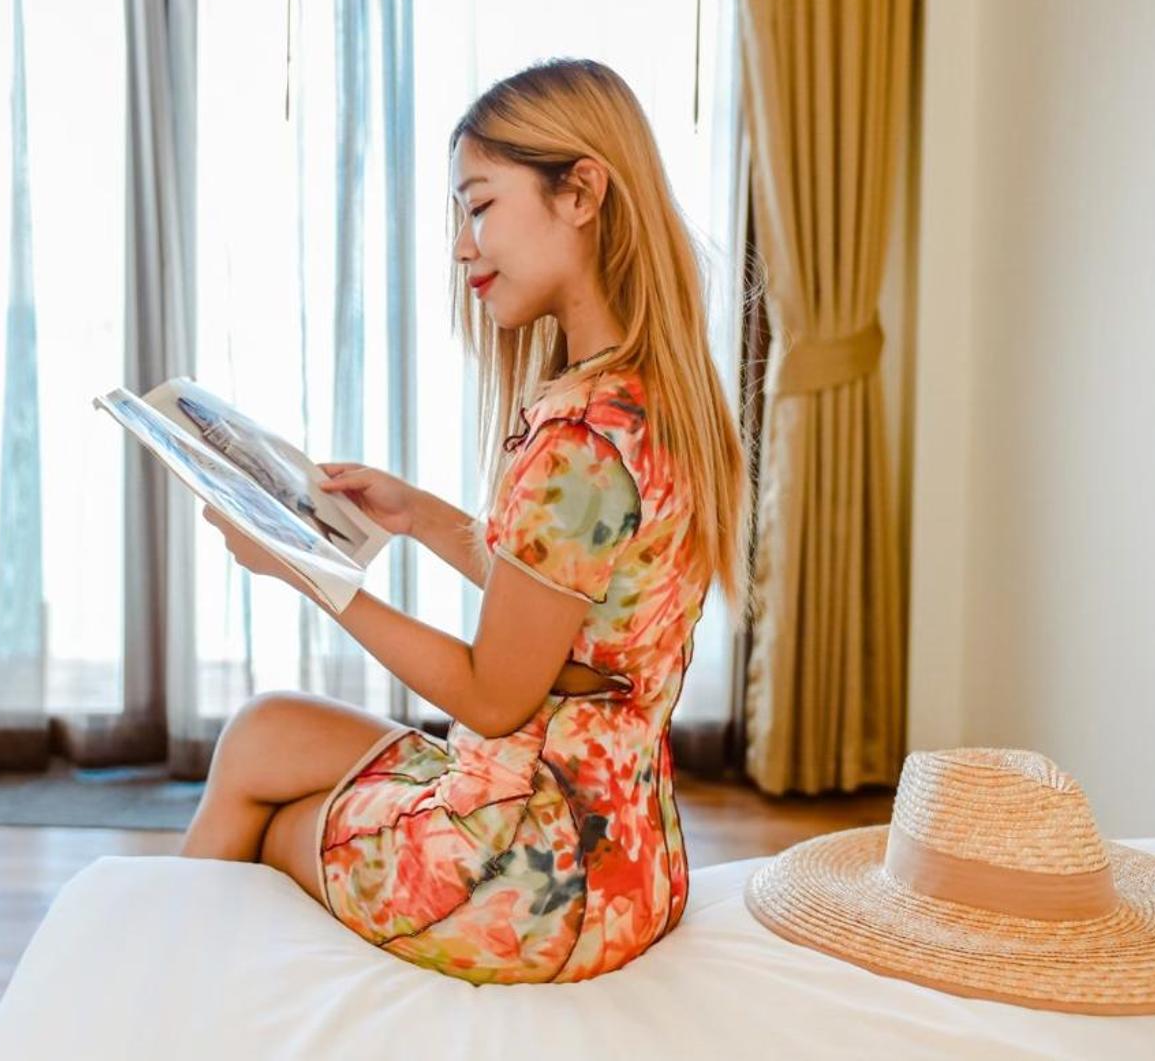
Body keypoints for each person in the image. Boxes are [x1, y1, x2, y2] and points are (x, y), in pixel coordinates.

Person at [184, 57, 748, 985]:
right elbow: (571, 612)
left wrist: (306, 570)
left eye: (478, 204)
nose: (461, 244)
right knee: (264, 731)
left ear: (581, 193)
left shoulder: (577, 441)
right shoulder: (650, 402)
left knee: (276, 819)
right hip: (630, 862)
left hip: (528, 881)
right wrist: (418, 517)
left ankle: (166, 1005)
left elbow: (494, 696)